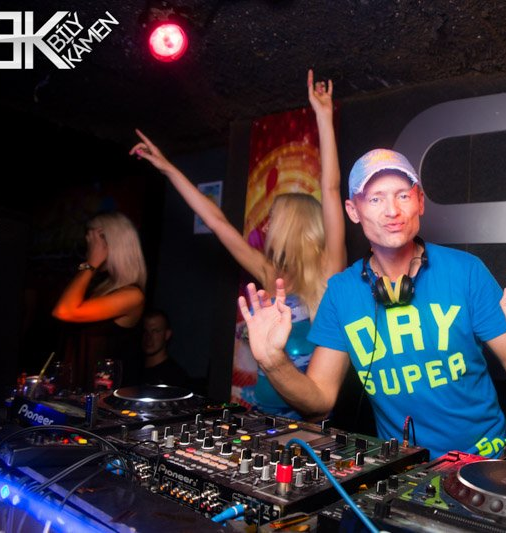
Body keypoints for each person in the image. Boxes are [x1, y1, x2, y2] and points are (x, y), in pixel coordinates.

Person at [238, 149, 506, 459]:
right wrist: (273, 361)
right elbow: (319, 403)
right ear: (353, 211)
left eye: (402, 195)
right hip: (404, 470)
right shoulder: (341, 292)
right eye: (375, 199)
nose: (391, 211)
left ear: (420, 201)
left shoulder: (466, 271)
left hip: (482, 463)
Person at [130, 70, 346, 418]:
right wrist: (168, 169)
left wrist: (323, 115)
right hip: (260, 415)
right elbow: (217, 222)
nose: (266, 224)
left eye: (273, 217)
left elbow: (331, 189)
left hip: (305, 421)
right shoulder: (269, 272)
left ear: (293, 223)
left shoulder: (327, 269)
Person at [52, 212, 147, 391]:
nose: (89, 246)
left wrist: (92, 263)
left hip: (103, 400)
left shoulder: (132, 295)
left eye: (94, 241)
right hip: (78, 393)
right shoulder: (102, 287)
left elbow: (64, 311)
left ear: (111, 243)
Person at [140, 309, 190, 388]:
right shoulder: (132, 369)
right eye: (145, 331)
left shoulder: (176, 377)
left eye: (155, 331)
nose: (148, 337)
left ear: (167, 334)